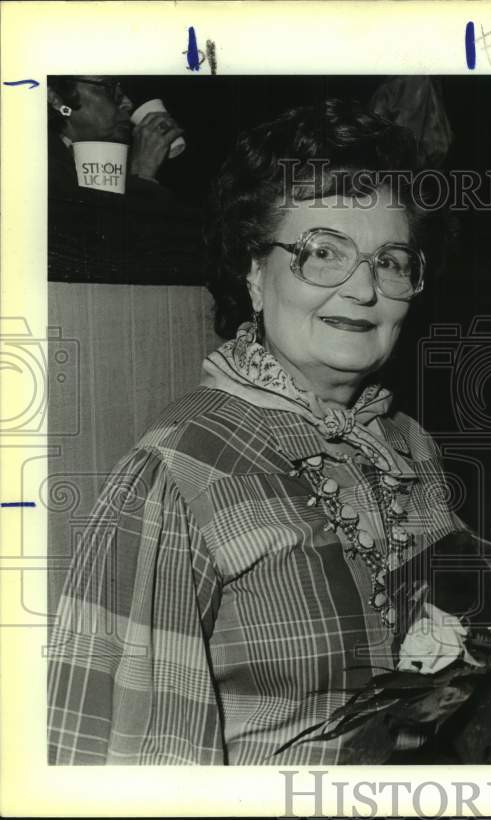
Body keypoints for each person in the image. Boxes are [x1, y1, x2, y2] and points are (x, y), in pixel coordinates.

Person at [46, 99, 469, 764]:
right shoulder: (181, 469)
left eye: (390, 260)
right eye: (322, 253)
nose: (363, 290)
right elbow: (123, 764)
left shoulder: (411, 447)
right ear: (253, 274)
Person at [46, 75, 202, 283]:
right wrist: (142, 174)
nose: (127, 103)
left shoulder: (120, 161)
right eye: (109, 89)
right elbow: (103, 258)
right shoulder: (39, 163)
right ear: (56, 99)